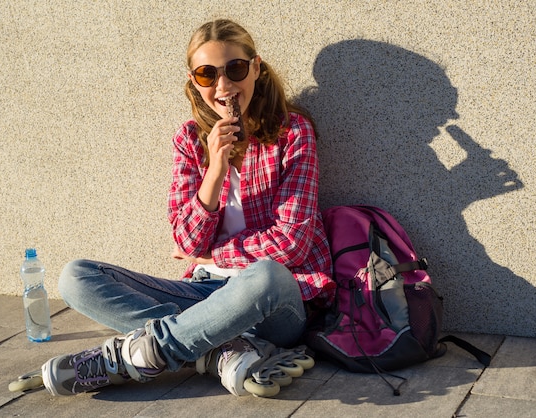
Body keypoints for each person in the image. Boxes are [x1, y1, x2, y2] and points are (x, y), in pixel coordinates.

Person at [41, 19, 335, 397]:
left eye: (235, 69)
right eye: (207, 74)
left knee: (266, 275)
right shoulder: (189, 140)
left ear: (256, 68)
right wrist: (214, 169)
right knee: (76, 278)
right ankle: (218, 350)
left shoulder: (292, 133)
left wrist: (214, 253)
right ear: (195, 81)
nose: (224, 86)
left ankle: (139, 356)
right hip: (204, 293)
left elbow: (291, 243)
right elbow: (185, 237)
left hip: (274, 303)